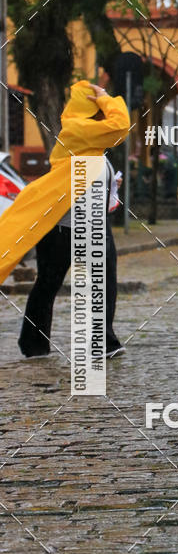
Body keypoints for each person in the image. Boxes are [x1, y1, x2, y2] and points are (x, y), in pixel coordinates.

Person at [0, 80, 130, 356]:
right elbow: (120, 125)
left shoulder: (91, 142)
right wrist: (107, 97)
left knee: (102, 282)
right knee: (48, 283)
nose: (104, 114)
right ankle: (34, 344)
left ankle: (102, 343)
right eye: (99, 109)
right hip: (63, 227)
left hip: (93, 225)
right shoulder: (77, 129)